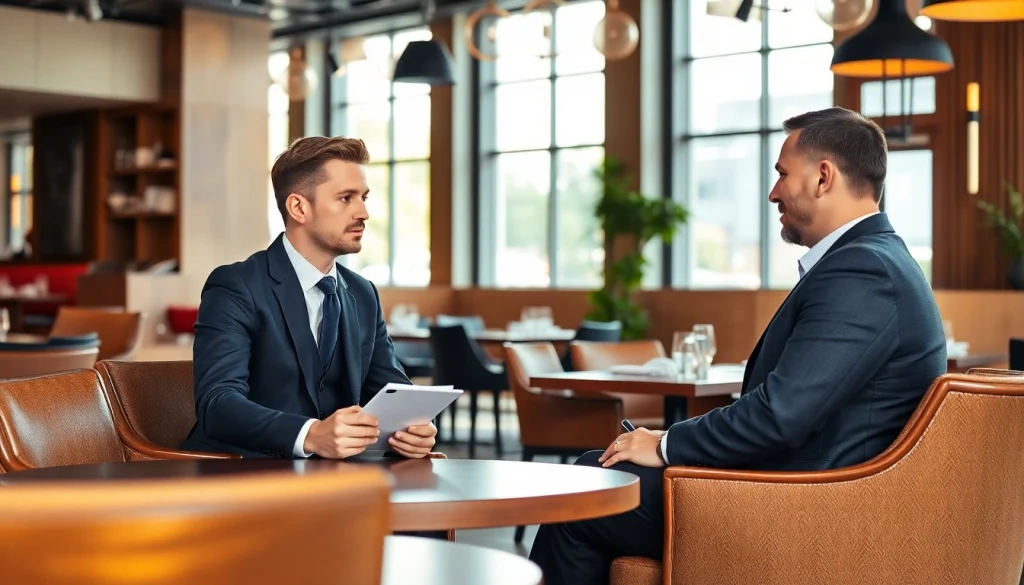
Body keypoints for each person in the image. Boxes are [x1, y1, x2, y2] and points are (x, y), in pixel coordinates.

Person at [528, 107, 947, 585]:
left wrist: (666, 444)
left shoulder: (863, 272)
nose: (773, 193)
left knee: (592, 483)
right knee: (600, 474)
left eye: (782, 174)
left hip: (805, 510)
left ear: (823, 177)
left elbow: (779, 414)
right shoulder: (876, 261)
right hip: (811, 493)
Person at [181, 136, 436, 460]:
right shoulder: (236, 286)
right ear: (299, 207)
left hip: (334, 480)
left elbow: (396, 396)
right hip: (239, 475)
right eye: (346, 198)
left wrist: (416, 430)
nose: (364, 212)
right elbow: (217, 404)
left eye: (364, 197)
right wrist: (311, 435)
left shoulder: (363, 294)